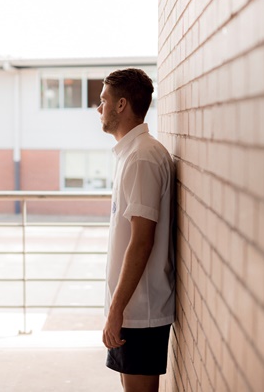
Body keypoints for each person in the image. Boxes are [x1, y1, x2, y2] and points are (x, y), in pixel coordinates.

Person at [97, 68, 176, 392]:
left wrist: (116, 311)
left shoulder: (142, 157)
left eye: (104, 101)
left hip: (140, 313)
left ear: (121, 105)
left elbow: (142, 242)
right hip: (132, 311)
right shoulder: (131, 153)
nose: (98, 108)